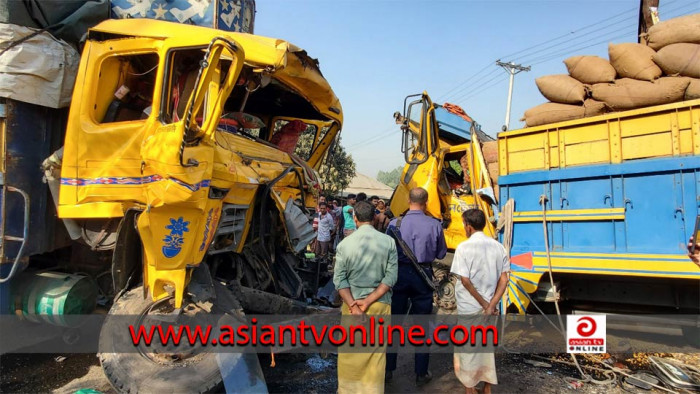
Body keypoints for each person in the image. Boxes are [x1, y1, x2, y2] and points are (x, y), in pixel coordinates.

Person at [333, 201, 398, 394]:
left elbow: (339, 280)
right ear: (375, 217)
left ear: (355, 219)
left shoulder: (345, 244)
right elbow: (391, 278)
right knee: (375, 357)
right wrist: (369, 301)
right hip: (379, 305)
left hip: (351, 306)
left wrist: (355, 308)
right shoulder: (388, 242)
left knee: (349, 355)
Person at [385, 187, 447, 386]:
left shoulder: (394, 224)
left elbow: (386, 253)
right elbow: (441, 254)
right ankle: (421, 372)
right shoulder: (434, 224)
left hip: (399, 276)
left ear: (408, 200)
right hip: (423, 277)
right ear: (426, 202)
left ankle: (387, 370)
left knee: (394, 325)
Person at [450, 209, 510, 394]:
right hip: (488, 310)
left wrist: (485, 305)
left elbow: (465, 281)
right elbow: (504, 279)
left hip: (470, 308)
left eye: (463, 224)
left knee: (467, 350)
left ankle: (470, 389)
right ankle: (487, 387)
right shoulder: (498, 247)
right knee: (485, 348)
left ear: (468, 225)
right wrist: (491, 305)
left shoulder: (463, 248)